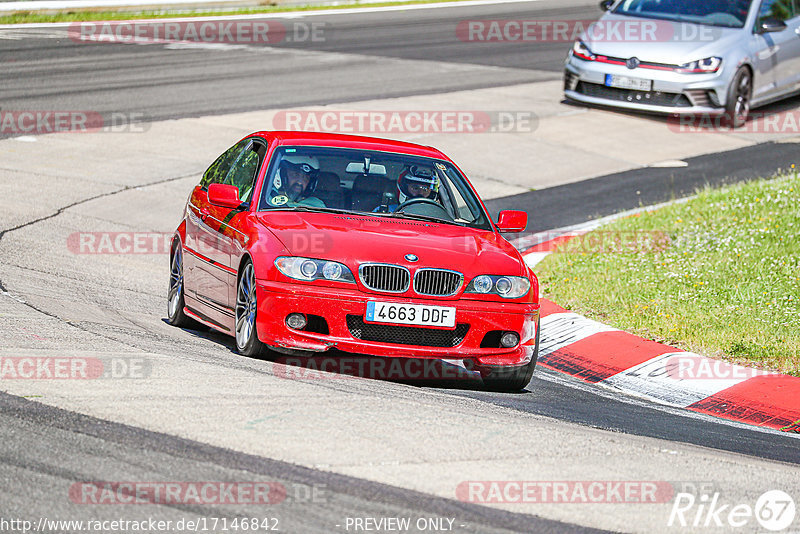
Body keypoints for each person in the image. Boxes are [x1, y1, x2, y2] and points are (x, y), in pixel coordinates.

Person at [376, 164, 440, 213]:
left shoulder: (438, 217)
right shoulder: (385, 212)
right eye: (415, 188)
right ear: (404, 188)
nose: (420, 193)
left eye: (425, 189)